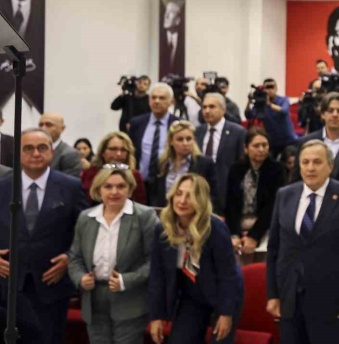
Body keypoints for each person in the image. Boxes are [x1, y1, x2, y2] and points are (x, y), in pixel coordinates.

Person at [266, 140, 339, 344]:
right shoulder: (284, 195)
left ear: (330, 166)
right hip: (289, 300)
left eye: (317, 162)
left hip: (330, 303)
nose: (310, 168)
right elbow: (273, 250)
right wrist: (272, 294)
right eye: (305, 162)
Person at [0, 128, 89, 344]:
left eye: (42, 147)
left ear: (52, 151)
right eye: (28, 148)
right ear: (18, 153)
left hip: (51, 284)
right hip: (7, 284)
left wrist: (70, 258)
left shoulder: (71, 187)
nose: (36, 153)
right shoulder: (3, 186)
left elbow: (85, 231)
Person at [68, 166, 159, 344]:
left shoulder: (144, 216)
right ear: (98, 189)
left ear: (130, 189)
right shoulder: (86, 217)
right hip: (93, 298)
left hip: (130, 299)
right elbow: (75, 257)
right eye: (108, 186)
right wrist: (80, 278)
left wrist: (126, 280)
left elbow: (154, 260)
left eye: (121, 186)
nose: (114, 192)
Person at [148, 174, 243, 344]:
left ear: (201, 199)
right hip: (191, 294)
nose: (182, 201)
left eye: (190, 196)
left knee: (220, 340)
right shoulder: (163, 228)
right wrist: (156, 316)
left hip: (222, 291)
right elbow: (157, 275)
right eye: (179, 194)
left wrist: (226, 313)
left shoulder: (216, 228)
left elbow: (227, 275)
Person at [225, 128, 285, 265]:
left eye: (264, 145)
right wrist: (234, 235)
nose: (261, 149)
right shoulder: (236, 169)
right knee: (241, 267)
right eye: (256, 146)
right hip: (239, 225)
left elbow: (272, 206)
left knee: (261, 267)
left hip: (266, 226)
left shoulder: (277, 169)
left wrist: (253, 236)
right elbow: (230, 205)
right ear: (246, 148)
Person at [195, 93, 247, 214]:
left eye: (212, 107)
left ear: (223, 110)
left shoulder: (238, 132)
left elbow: (242, 163)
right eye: (204, 107)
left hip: (226, 191)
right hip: (201, 191)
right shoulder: (197, 131)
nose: (207, 111)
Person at [127, 83, 179, 199]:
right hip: (140, 182)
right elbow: (130, 151)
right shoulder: (137, 123)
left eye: (162, 98)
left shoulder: (177, 125)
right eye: (153, 97)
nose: (156, 101)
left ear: (171, 102)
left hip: (167, 184)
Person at [152, 120, 217, 208]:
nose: (185, 143)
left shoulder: (205, 164)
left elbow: (212, 195)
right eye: (180, 139)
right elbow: (154, 193)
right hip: (164, 211)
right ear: (171, 141)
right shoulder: (162, 163)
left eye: (189, 139)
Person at [81, 132, 147, 205]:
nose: (118, 154)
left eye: (123, 150)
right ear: (102, 152)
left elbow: (140, 204)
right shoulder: (89, 173)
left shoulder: (135, 175)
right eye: (113, 149)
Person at [259, 78, 298, 159]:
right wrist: (250, 100)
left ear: (276, 88)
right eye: (267, 87)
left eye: (271, 87)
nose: (269, 90)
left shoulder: (284, 99)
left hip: (287, 140)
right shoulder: (262, 104)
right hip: (271, 141)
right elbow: (249, 115)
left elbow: (284, 110)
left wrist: (269, 104)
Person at [38, 112, 82, 177]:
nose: (43, 128)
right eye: (41, 125)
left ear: (62, 128)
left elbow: (69, 181)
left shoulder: (70, 154)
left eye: (49, 125)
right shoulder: (31, 151)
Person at [159, 0, 185, 79]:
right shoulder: (160, 39)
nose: (166, 16)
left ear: (178, 20)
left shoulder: (183, 42)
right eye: (165, 12)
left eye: (170, 12)